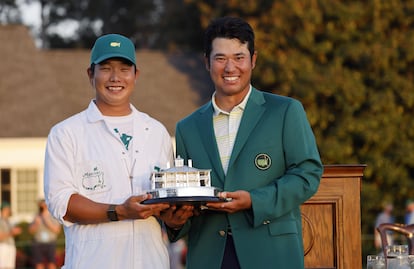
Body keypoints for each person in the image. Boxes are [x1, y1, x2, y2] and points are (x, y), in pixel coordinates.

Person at [160, 16, 323, 269]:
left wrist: (254, 200)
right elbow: (188, 198)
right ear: (207, 62)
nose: (230, 67)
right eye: (220, 58)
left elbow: (308, 175)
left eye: (239, 57)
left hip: (272, 254)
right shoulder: (186, 128)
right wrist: (175, 222)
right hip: (209, 256)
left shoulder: (285, 111)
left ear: (253, 60)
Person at [43, 33, 174, 269]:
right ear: (90, 74)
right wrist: (120, 211)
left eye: (125, 68)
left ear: (136, 75)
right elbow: (61, 203)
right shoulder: (66, 133)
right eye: (105, 68)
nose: (115, 77)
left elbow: (169, 198)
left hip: (152, 262)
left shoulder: (157, 132)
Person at [29, 199, 61, 269]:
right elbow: (31, 231)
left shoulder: (53, 215)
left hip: (50, 242)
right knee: (38, 263)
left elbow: (57, 230)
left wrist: (46, 220)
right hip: (38, 242)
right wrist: (36, 224)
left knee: (51, 263)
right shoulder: (36, 216)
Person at [0, 202, 22, 269]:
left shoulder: (9, 221)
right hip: (3, 246)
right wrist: (12, 233)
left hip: (11, 246)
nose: (9, 210)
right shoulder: (1, 221)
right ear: (4, 209)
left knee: (10, 266)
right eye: (8, 209)